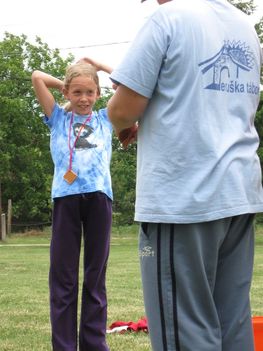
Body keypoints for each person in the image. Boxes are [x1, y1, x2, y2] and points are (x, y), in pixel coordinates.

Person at [107, 0, 263, 350]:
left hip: (184, 197)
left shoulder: (167, 19)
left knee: (186, 331)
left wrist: (121, 119)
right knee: (232, 325)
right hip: (238, 191)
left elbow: (122, 109)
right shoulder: (243, 26)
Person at [32, 59, 113, 351]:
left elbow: (127, 83)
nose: (83, 99)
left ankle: (94, 344)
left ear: (98, 93)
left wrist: (98, 66)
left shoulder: (106, 118)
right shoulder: (58, 118)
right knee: (64, 278)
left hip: (99, 198)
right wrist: (65, 83)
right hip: (66, 199)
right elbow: (37, 76)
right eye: (77, 92)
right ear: (67, 93)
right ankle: (64, 346)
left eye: (89, 92)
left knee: (95, 276)